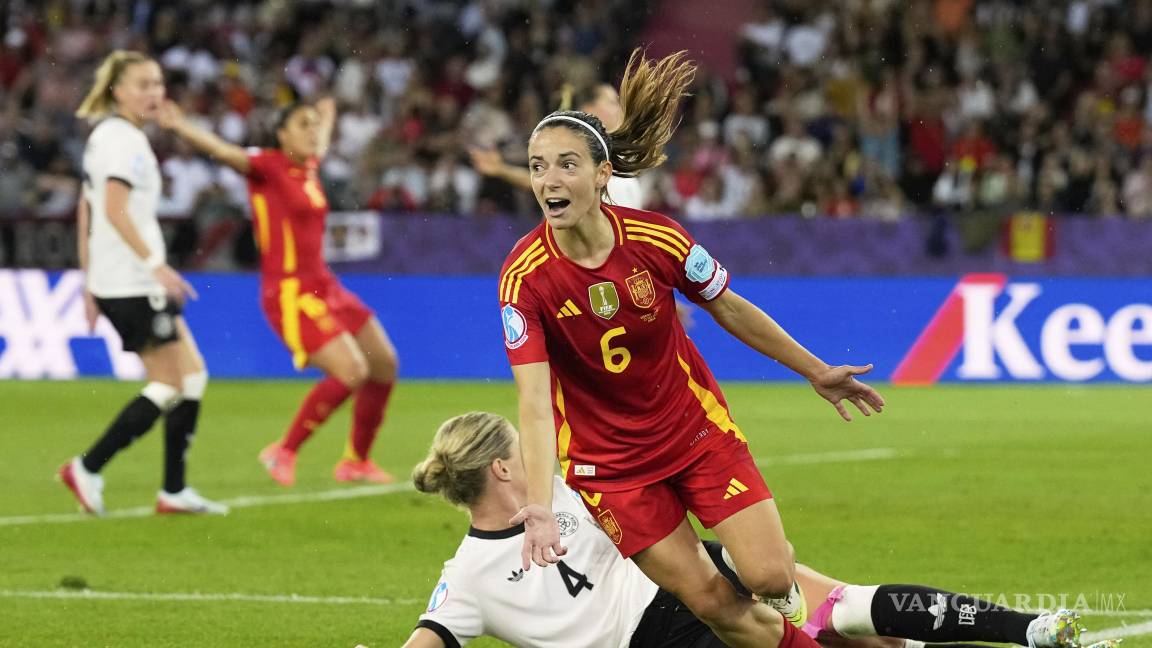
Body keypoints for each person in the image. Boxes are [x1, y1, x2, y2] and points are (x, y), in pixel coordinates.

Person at [499, 49, 884, 648]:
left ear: (603, 175)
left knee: (768, 575)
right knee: (713, 604)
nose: (549, 180)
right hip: (611, 468)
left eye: (567, 165)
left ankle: (850, 619)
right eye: (537, 167)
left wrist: (815, 370)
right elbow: (532, 401)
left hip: (692, 432)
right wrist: (543, 505)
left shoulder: (659, 238)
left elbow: (728, 305)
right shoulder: (524, 279)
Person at [403, 412, 1098, 648]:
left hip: (690, 588)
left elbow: (428, 640)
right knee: (848, 613)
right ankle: (1028, 630)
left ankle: (1025, 631)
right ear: (502, 468)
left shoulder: (467, 576)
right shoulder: (563, 493)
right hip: (688, 595)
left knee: (847, 617)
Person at [158, 97, 399, 487]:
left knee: (384, 363)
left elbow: (319, 143)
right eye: (301, 125)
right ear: (281, 134)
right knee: (352, 370)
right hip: (290, 290)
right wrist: (179, 124)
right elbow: (223, 151)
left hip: (325, 284)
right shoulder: (267, 166)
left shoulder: (309, 165)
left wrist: (328, 113)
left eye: (313, 125)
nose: (311, 132)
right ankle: (283, 451)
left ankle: (356, 461)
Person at [58, 50, 226, 516]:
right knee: (170, 382)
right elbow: (112, 208)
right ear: (117, 91)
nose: (153, 93)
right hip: (134, 280)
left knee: (193, 375)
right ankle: (87, 466)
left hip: (119, 277)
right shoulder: (122, 141)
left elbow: (86, 208)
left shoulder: (110, 136)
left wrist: (88, 278)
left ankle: (173, 490)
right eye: (142, 85)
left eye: (158, 84)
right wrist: (154, 262)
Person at [468, 81, 644, 210]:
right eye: (611, 102)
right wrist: (501, 169)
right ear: (590, 108)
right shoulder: (574, 146)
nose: (619, 107)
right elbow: (546, 181)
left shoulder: (619, 149)